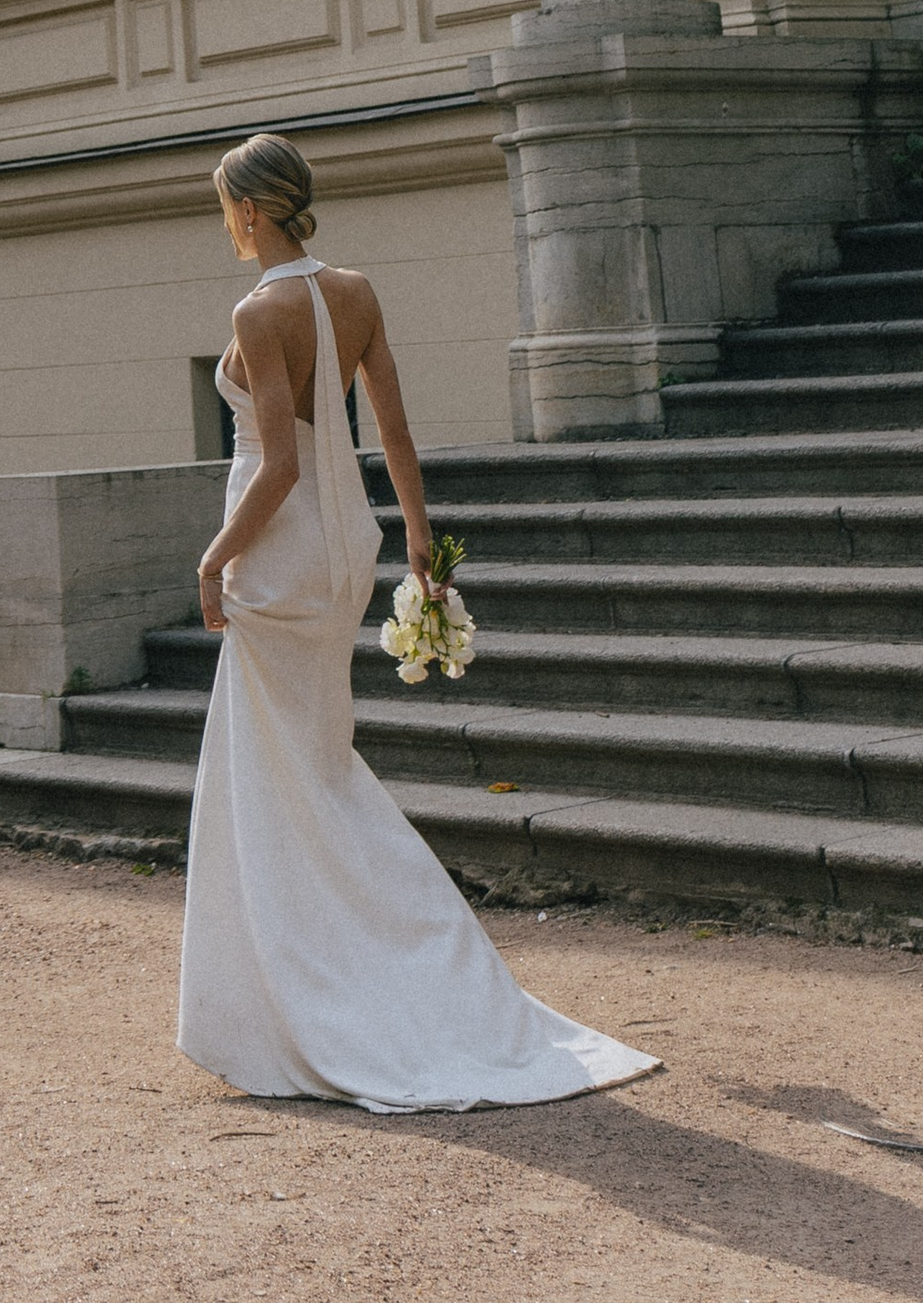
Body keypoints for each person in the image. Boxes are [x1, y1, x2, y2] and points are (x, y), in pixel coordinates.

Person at [176, 130, 659, 1112]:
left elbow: (273, 466)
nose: (225, 221)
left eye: (227, 205)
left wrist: (213, 556)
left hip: (280, 548)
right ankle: (324, 972)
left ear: (253, 210)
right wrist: (420, 553)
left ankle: (322, 985)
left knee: (281, 769)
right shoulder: (353, 290)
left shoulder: (260, 308)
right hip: (346, 539)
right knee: (308, 759)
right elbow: (390, 429)